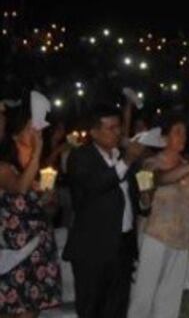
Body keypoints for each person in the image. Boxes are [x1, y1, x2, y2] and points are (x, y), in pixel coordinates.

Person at [64, 106, 143, 318]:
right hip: (93, 247)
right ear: (94, 132)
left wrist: (144, 200)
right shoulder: (81, 157)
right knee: (92, 308)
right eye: (111, 128)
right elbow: (95, 185)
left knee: (117, 307)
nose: (118, 132)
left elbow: (132, 195)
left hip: (123, 244)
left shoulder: (122, 157)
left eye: (118, 127)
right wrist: (127, 161)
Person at [128, 114, 189, 318]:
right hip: (156, 234)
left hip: (181, 237)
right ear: (164, 139)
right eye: (177, 132)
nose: (183, 137)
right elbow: (162, 179)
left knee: (170, 297)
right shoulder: (151, 163)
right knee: (144, 293)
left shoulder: (188, 167)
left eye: (185, 133)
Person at [0, 106, 61, 317]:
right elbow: (19, 187)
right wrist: (37, 152)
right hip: (13, 252)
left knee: (31, 311)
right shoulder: (5, 168)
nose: (37, 134)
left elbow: (49, 214)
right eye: (31, 129)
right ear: (16, 134)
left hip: (37, 250)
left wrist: (49, 201)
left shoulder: (38, 171)